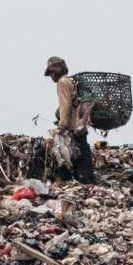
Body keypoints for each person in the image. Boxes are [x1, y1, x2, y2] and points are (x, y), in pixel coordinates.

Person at [44, 56, 94, 184]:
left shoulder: (62, 82)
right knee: (81, 148)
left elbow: (65, 105)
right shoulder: (71, 80)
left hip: (73, 124)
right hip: (80, 123)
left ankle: (86, 177)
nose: (51, 77)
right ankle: (85, 177)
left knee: (79, 150)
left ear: (54, 72)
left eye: (50, 74)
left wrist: (62, 125)